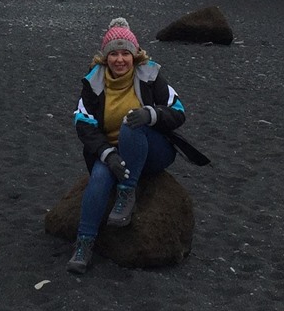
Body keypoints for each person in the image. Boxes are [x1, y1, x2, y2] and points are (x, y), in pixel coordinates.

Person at [66, 17, 197, 274]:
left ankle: (127, 192)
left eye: (125, 53)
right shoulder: (93, 83)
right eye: (113, 54)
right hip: (113, 152)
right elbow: (83, 124)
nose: (119, 60)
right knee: (100, 179)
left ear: (134, 55)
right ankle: (84, 245)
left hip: (151, 149)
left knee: (131, 122)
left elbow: (178, 111)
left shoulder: (150, 75)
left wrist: (151, 114)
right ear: (105, 58)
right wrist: (107, 154)